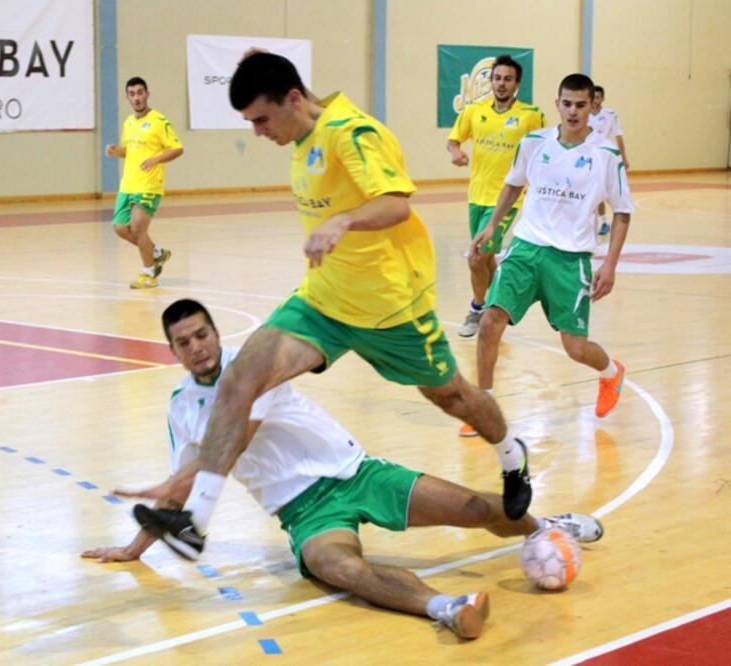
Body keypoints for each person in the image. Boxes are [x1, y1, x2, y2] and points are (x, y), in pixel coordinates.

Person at [133, 52, 533, 562]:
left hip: (390, 307)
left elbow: (396, 203)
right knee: (239, 381)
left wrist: (343, 221)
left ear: (292, 99)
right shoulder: (300, 132)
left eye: (261, 119)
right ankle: (196, 523)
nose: (257, 132)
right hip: (322, 301)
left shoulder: (354, 133)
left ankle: (511, 454)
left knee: (453, 397)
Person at [83, 299, 604, 640]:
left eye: (201, 335)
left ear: (217, 333)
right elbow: (177, 496)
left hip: (356, 473)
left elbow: (235, 438)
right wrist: (134, 547)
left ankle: (546, 527)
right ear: (173, 351)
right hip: (304, 512)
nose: (196, 347)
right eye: (183, 342)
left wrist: (176, 484)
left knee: (473, 508)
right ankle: (447, 607)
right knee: (341, 569)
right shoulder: (180, 406)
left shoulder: (253, 368)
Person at [470, 73, 632, 420]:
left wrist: (609, 265)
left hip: (570, 260)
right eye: (567, 104)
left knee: (576, 348)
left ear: (592, 107)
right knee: (490, 322)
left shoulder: (605, 153)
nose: (573, 111)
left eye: (580, 105)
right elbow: (513, 185)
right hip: (526, 248)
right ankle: (484, 405)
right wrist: (492, 225)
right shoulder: (534, 142)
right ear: (557, 104)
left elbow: (622, 212)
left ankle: (611, 373)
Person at [447, 55, 545, 347]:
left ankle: (477, 309)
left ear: (517, 83)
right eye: (497, 78)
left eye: (508, 79)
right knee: (486, 259)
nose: (502, 84)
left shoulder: (531, 115)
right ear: (491, 81)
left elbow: (542, 153)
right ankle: (496, 305)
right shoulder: (474, 111)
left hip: (507, 199)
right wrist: (455, 152)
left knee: (476, 255)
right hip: (476, 196)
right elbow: (454, 140)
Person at [105, 76, 184, 289]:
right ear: (127, 97)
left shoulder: (159, 121)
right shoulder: (128, 123)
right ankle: (156, 253)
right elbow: (131, 151)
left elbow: (177, 148)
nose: (137, 97)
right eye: (132, 94)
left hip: (149, 185)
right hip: (128, 184)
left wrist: (155, 160)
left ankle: (149, 273)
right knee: (120, 228)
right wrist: (116, 151)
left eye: (140, 92)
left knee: (139, 229)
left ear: (147, 94)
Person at [589, 85, 630, 235]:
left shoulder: (610, 114)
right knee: (592, 190)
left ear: (603, 99)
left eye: (598, 97)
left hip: (604, 158)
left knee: (605, 191)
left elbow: (619, 136)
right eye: (593, 97)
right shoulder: (584, 114)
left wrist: (624, 158)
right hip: (588, 158)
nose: (595, 100)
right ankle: (600, 221)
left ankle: (605, 221)